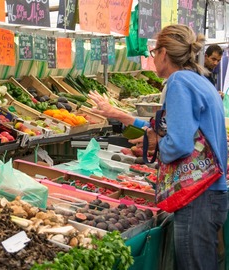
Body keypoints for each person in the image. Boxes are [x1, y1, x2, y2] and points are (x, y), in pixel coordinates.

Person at [91, 24, 228, 270]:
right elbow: (178, 129)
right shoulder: (199, 80)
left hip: (198, 196)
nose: (153, 58)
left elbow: (178, 144)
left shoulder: (178, 82)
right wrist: (128, 119)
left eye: (154, 52)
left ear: (164, 53)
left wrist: (157, 143)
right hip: (211, 193)